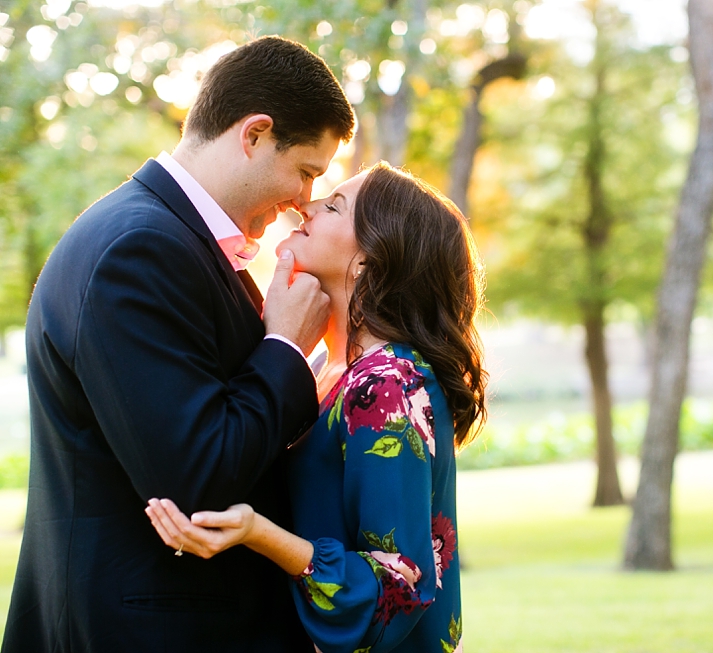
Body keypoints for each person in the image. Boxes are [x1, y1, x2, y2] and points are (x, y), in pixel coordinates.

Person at [3, 36, 355, 653]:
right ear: (254, 135)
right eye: (305, 172)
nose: (304, 203)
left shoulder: (173, 242)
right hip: (149, 628)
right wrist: (285, 349)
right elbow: (198, 483)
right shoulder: (138, 250)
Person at [144, 161, 487, 653]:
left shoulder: (388, 386)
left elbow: (398, 588)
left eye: (332, 206)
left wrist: (256, 531)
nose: (304, 206)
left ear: (370, 258)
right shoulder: (330, 372)